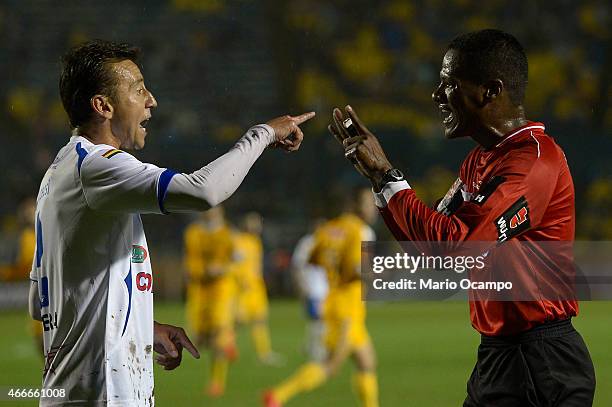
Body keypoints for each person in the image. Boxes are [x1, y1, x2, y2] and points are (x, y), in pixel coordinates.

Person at [27, 39, 314, 406]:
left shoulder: (58, 172)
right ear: (103, 105)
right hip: (104, 395)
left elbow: (41, 301)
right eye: (139, 89)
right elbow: (203, 191)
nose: (152, 100)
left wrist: (140, 327)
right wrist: (262, 134)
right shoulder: (96, 166)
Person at [330, 29, 595, 406]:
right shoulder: (480, 160)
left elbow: (460, 246)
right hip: (500, 356)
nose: (437, 96)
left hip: (540, 362)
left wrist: (388, 176)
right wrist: (380, 180)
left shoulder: (534, 161)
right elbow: (434, 248)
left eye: (448, 84)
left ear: (490, 90)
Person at [264, 188, 379, 407]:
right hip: (348, 308)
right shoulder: (359, 230)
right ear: (354, 205)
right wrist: (380, 272)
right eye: (367, 202)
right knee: (330, 366)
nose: (372, 207)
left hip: (334, 303)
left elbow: (312, 259)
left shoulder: (326, 231)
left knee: (367, 362)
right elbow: (357, 269)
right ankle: (278, 395)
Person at [183, 206, 238, 397]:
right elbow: (190, 264)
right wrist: (204, 271)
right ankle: (229, 340)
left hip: (221, 291)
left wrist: (223, 268)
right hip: (199, 291)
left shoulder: (228, 233)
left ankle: (217, 382)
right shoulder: (193, 233)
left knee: (218, 336)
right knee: (197, 338)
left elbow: (236, 260)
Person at [233, 212, 283, 366]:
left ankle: (264, 353)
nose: (257, 226)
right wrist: (240, 281)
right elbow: (235, 264)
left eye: (258, 223)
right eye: (254, 223)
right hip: (243, 289)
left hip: (256, 288)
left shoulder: (256, 242)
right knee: (237, 322)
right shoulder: (239, 241)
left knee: (260, 320)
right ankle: (226, 348)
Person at [290, 219, 328, 362]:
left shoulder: (327, 241)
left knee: (320, 319)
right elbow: (297, 265)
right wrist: (301, 285)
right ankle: (316, 350)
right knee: (317, 318)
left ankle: (312, 346)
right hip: (312, 287)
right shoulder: (307, 243)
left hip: (325, 287)